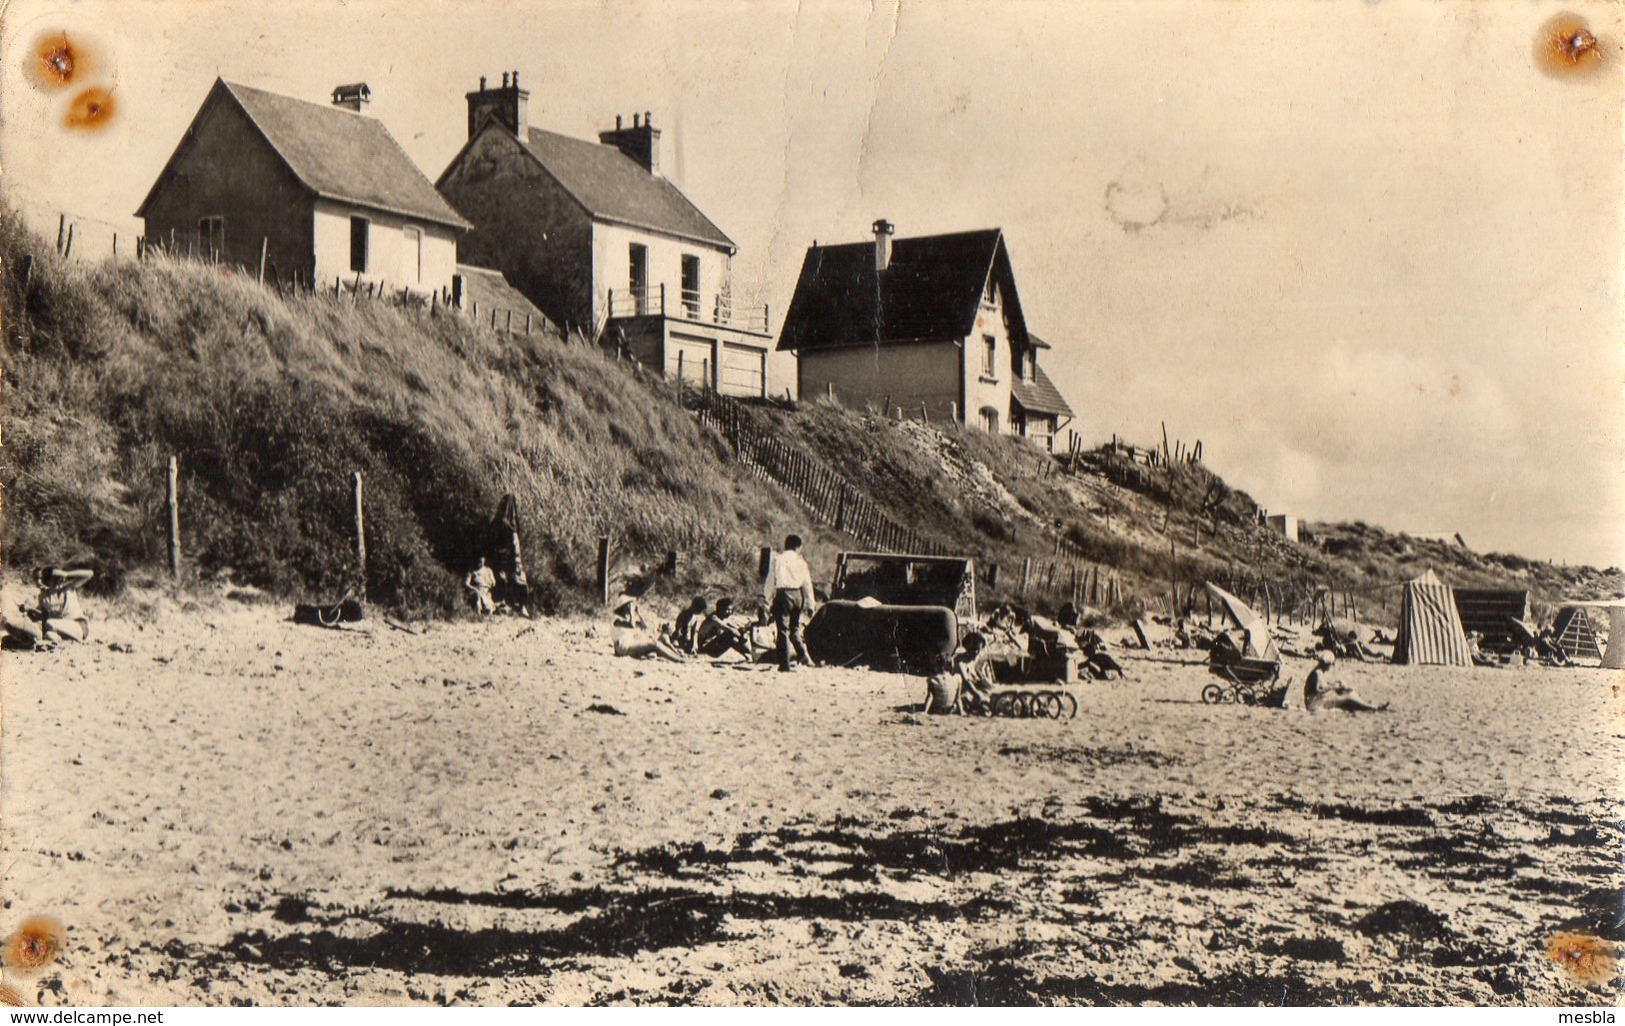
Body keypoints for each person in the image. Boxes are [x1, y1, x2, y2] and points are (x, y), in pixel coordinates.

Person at [762, 534, 816, 672]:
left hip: (783, 594)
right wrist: (811, 604)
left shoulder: (778, 559)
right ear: (798, 547)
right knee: (795, 629)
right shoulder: (801, 562)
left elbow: (770, 580)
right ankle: (804, 657)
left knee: (782, 631)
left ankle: (784, 665)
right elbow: (807, 584)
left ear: (786, 545)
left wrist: (767, 599)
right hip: (798, 595)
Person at [4, 567, 93, 648]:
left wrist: (66, 573)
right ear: (47, 581)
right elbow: (43, 617)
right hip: (60, 628)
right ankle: (41, 642)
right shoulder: (44, 597)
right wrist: (31, 612)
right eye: (54, 579)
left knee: (50, 623)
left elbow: (89, 573)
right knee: (49, 635)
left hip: (79, 626)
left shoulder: (69, 588)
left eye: (59, 579)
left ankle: (80, 641)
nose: (58, 582)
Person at [1303, 649, 1388, 713]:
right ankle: (1374, 708)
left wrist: (1334, 684)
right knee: (1349, 698)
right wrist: (1333, 687)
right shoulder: (1317, 673)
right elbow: (1318, 690)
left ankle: (1368, 706)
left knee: (1348, 692)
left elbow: (1320, 687)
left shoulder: (1318, 672)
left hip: (1317, 701)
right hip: (1315, 704)